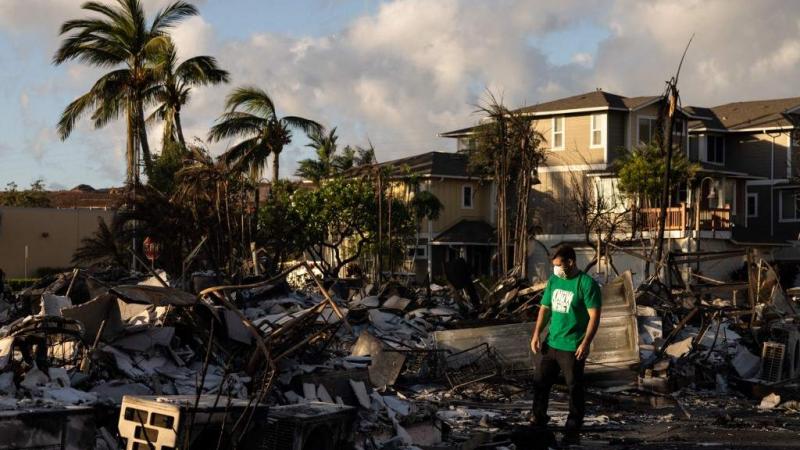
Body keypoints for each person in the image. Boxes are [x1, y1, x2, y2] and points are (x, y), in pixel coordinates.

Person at [530, 245, 602, 444]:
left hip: (572, 346)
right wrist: (537, 333)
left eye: (559, 265)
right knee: (540, 382)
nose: (556, 269)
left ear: (571, 262)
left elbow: (594, 317)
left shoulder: (586, 284)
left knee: (574, 387)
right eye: (554, 266)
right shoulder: (554, 280)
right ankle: (538, 418)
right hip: (551, 343)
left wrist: (586, 343)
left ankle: (573, 426)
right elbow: (545, 309)